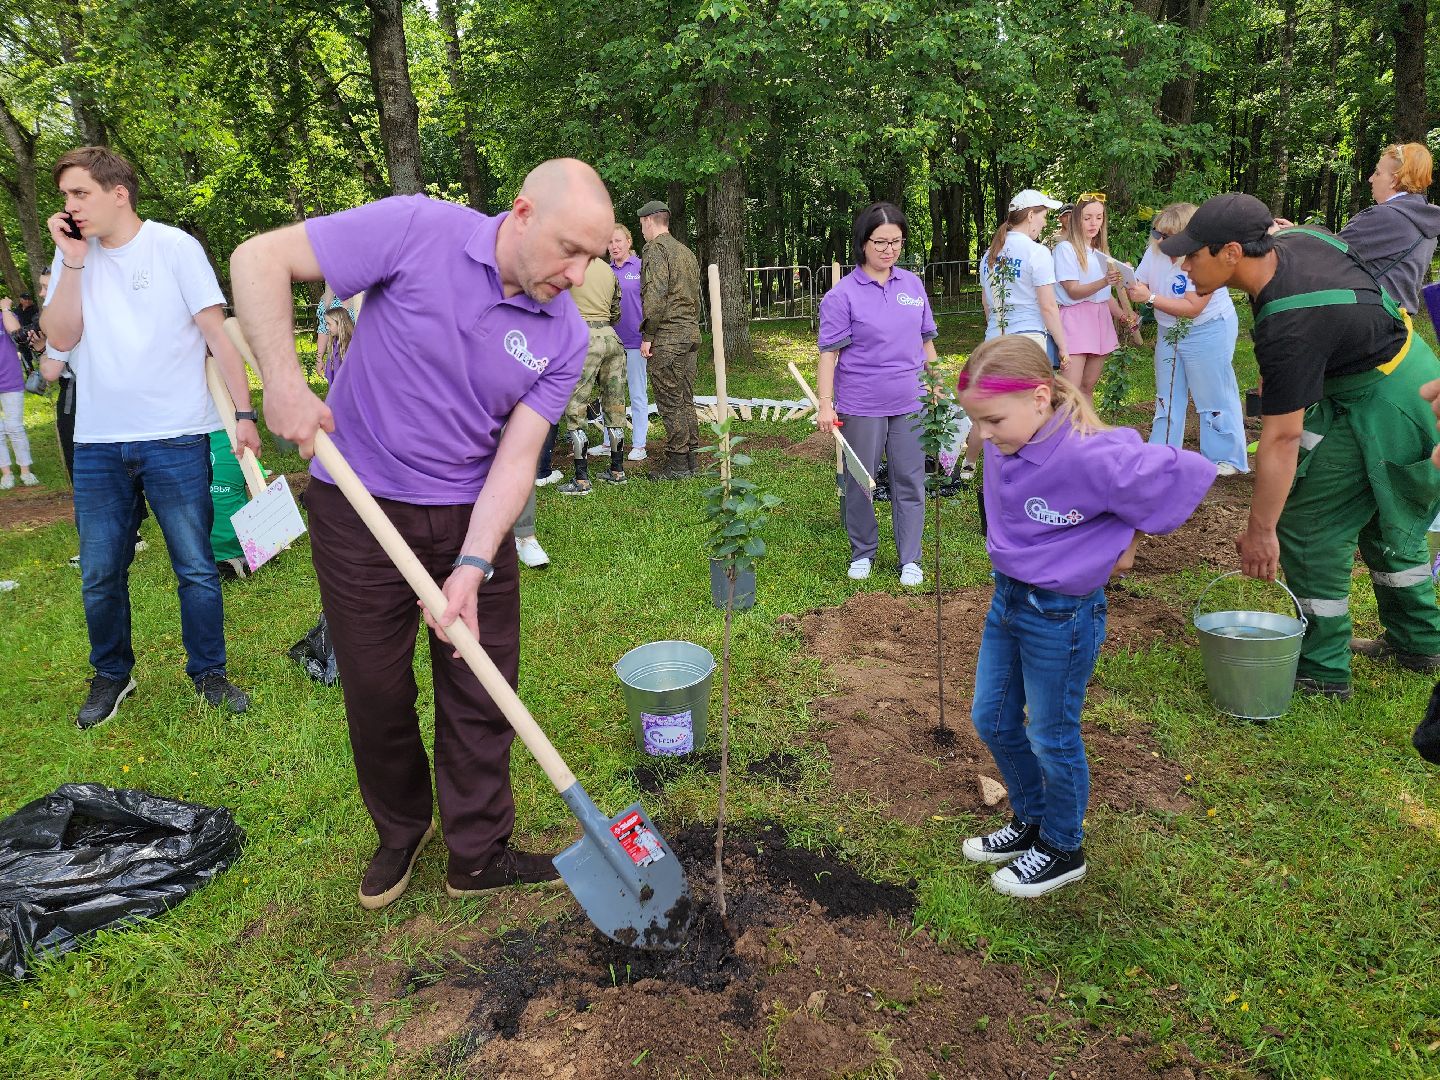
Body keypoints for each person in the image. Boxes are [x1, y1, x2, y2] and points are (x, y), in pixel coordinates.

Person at [229, 158, 610, 909]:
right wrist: (281, 379)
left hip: (471, 516)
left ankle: (477, 851)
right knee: (374, 686)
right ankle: (400, 830)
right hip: (359, 506)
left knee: (482, 686)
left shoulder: (563, 335)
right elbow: (258, 257)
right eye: (570, 249)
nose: (578, 271)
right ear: (522, 212)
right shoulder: (416, 229)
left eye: (593, 257)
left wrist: (473, 562)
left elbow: (518, 455)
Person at [957, 336, 1213, 896]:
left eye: (992, 420)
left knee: (1051, 734)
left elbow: (1182, 471)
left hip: (1061, 615)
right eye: (977, 422)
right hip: (1008, 600)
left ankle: (1063, 846)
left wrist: (1130, 536)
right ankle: (1030, 821)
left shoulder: (1093, 453)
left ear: (1041, 398)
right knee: (993, 718)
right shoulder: (1006, 438)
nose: (984, 436)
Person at [1163, 193, 1440, 699]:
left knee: (1309, 521)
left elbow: (1282, 437)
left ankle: (1322, 669)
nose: (1182, 264)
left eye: (1192, 253)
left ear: (1231, 252)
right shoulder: (1296, 238)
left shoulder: (1291, 324)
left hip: (1388, 400)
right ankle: (1420, 642)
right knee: (1383, 513)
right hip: (1398, 370)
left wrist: (1261, 529)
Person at [40, 146, 255, 729]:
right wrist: (73, 264)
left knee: (195, 566)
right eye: (65, 197)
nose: (70, 206)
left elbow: (218, 335)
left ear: (118, 193)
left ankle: (209, 672)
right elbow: (58, 335)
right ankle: (112, 675)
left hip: (177, 436)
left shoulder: (174, 247)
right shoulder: (72, 258)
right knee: (100, 571)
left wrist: (244, 414)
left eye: (79, 193)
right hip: (98, 444)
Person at [816, 201, 939, 587]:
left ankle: (910, 560)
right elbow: (828, 355)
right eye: (881, 242)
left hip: (910, 402)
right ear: (863, 243)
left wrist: (935, 384)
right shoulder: (843, 295)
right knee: (860, 480)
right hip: (862, 404)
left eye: (896, 242)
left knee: (910, 479)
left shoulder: (912, 285)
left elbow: (926, 343)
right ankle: (863, 552)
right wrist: (824, 403)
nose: (889, 249)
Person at [1127, 202, 1247, 475]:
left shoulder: (1207, 260)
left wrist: (1151, 299)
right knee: (1167, 393)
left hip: (1207, 328)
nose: (1159, 240)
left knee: (1214, 395)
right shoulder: (1156, 250)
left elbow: (1193, 308)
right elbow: (1142, 280)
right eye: (1157, 234)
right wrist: (1133, 285)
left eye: (1167, 236)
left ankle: (1225, 459)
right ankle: (1163, 454)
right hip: (1168, 330)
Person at [964, 190, 1071, 483]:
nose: (1045, 223)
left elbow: (987, 304)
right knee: (1031, 409)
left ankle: (971, 465)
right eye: (1045, 216)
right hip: (1027, 341)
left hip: (994, 339)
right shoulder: (1037, 253)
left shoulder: (990, 253)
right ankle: (1031, 469)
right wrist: (1063, 347)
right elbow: (1048, 306)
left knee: (993, 405)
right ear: (1031, 215)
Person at [637, 200, 702, 480]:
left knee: (670, 400)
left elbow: (655, 296)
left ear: (649, 221)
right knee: (686, 398)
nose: (641, 230)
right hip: (689, 334)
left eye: (641, 224)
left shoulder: (655, 249)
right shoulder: (686, 252)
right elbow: (696, 297)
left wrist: (648, 335)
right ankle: (692, 460)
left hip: (668, 337)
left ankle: (677, 465)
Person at [1338, 142, 1439, 315]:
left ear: (1394, 180)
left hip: (1368, 321)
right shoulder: (1425, 220)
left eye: (1377, 172)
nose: (1371, 179)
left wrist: (1294, 236)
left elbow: (1330, 251)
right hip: (1396, 323)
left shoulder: (1386, 217)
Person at [1053, 193, 1137, 401]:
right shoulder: (1066, 249)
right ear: (1076, 219)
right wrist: (1105, 280)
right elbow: (1072, 290)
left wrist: (1123, 316)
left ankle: (1088, 433)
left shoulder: (1098, 251)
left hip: (1100, 320)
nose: (1094, 223)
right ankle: (1062, 433)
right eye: (1087, 217)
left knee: (1087, 388)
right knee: (1069, 392)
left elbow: (1104, 295)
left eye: (1099, 217)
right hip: (1075, 320)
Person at [557, 256, 628, 494]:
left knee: (576, 405)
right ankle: (617, 471)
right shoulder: (607, 269)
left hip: (583, 338)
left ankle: (582, 479)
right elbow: (616, 308)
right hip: (611, 338)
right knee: (615, 404)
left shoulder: (568, 266)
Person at [608, 224, 648, 460]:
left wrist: (648, 336)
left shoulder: (641, 267)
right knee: (611, 393)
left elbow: (651, 303)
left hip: (636, 341)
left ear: (629, 242)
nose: (614, 246)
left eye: (618, 241)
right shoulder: (605, 271)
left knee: (637, 393)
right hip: (612, 343)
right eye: (610, 242)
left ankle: (639, 444)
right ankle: (608, 441)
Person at [0, 297, 39, 489]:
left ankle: (25, 470)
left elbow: (16, 332)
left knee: (14, 426)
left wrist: (6, 309)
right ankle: (6, 472)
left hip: (9, 378)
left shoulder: (6, 316)